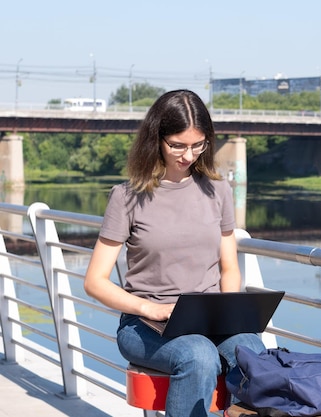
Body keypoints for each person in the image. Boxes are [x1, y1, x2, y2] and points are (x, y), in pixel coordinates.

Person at [84, 89, 265, 417]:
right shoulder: (126, 197)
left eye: (198, 145)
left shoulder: (218, 191)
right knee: (198, 356)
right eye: (177, 145)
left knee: (252, 351)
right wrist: (149, 308)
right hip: (143, 325)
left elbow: (229, 266)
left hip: (209, 318)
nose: (188, 155)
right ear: (156, 139)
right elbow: (95, 281)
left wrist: (230, 309)